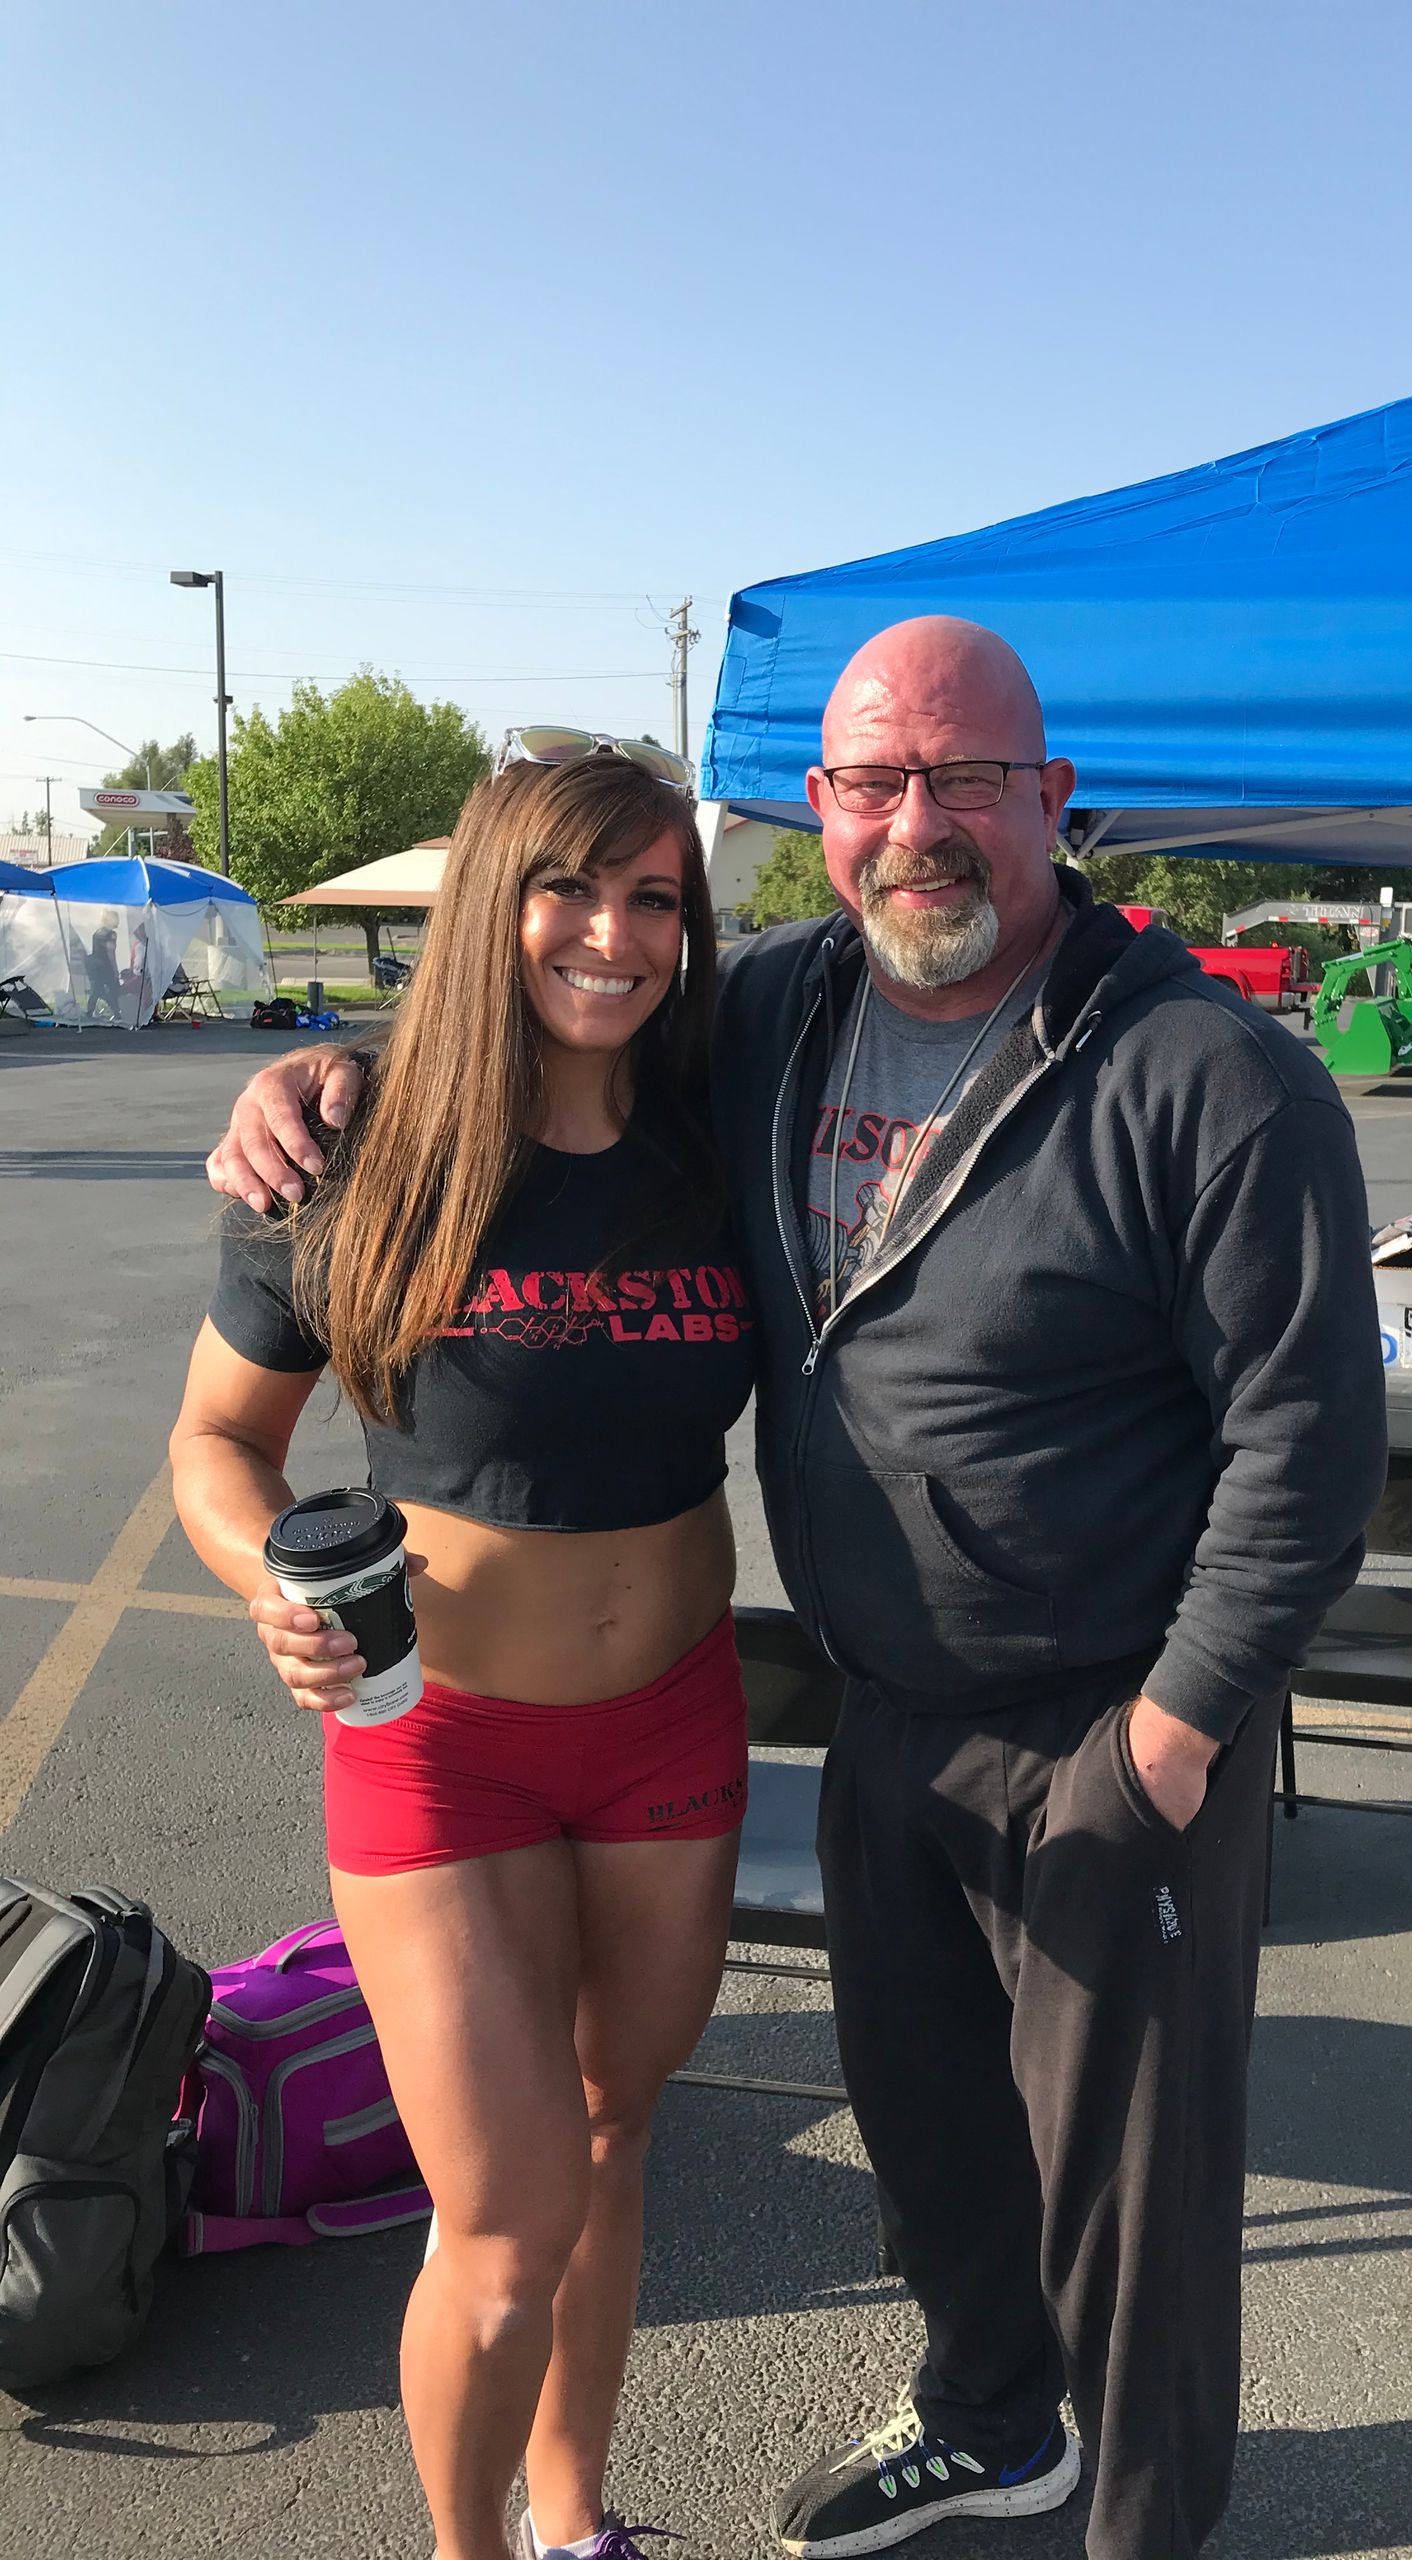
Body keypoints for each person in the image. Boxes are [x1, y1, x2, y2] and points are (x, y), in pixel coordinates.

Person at [206, 618, 1388, 2560]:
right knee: (929, 2142)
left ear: (1051, 799)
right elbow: (528, 1021)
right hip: (872, 1710)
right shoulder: (763, 1014)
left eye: (966, 780)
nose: (918, 826)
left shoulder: (1211, 1075)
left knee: (1135, 2205)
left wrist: (1170, 1739)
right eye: (872, 784)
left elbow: (1309, 1450)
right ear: (819, 810)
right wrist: (319, 1079)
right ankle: (995, 2422)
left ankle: (1146, 2524)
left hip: (1110, 1724)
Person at [174, 750, 756, 2560]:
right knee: (503, 2216)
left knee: (615, 2136)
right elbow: (215, 1442)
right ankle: (469, 2548)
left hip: (671, 1722)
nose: (614, 934)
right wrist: (272, 1575)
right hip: (440, 1740)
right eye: (572, 890)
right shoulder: (338, 1156)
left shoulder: (716, 1126)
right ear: (492, 897)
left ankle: (578, 2521)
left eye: (657, 896)